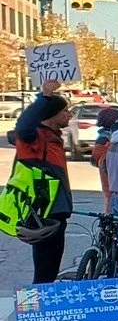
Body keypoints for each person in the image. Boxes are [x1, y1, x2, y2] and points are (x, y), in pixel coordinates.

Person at [10, 85, 72, 281]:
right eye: (65, 111)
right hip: (43, 214)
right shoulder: (34, 137)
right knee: (45, 271)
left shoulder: (51, 136)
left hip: (55, 211)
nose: (69, 115)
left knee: (50, 269)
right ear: (51, 114)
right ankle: (37, 309)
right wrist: (44, 98)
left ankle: (42, 307)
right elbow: (23, 125)